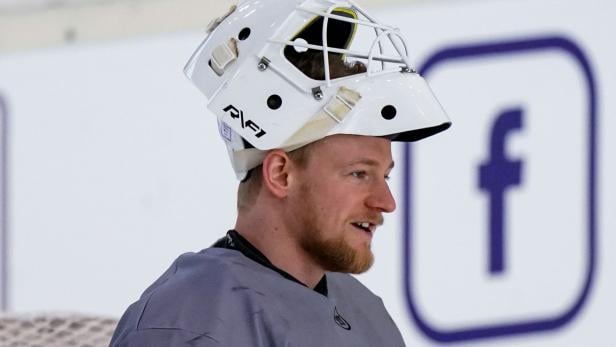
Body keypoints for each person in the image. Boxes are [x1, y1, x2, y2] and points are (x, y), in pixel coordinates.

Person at [110, 0, 450, 346]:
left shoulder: (366, 315)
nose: (386, 202)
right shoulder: (185, 329)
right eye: (359, 174)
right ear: (281, 174)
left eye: (385, 176)